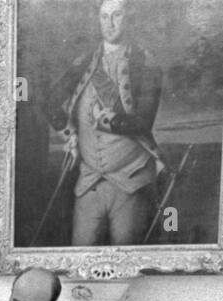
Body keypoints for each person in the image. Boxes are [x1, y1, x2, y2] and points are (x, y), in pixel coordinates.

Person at [49, 0, 164, 247]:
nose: (109, 23)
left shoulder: (146, 64)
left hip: (130, 180)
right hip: (88, 181)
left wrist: (109, 121)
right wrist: (68, 133)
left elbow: (144, 122)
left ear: (128, 17)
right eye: (104, 16)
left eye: (116, 15)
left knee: (127, 256)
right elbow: (49, 101)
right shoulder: (84, 62)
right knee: (79, 254)